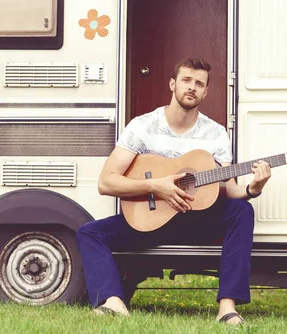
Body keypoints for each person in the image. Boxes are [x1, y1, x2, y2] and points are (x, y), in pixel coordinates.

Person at [75, 58, 271, 326]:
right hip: (151, 221)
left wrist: (252, 188)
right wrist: (156, 186)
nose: (192, 87)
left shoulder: (215, 134)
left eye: (199, 83)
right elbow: (106, 182)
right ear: (173, 84)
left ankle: (227, 308)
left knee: (242, 210)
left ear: (205, 92)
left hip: (197, 221)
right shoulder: (142, 126)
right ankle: (112, 301)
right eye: (186, 80)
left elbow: (227, 189)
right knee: (88, 232)